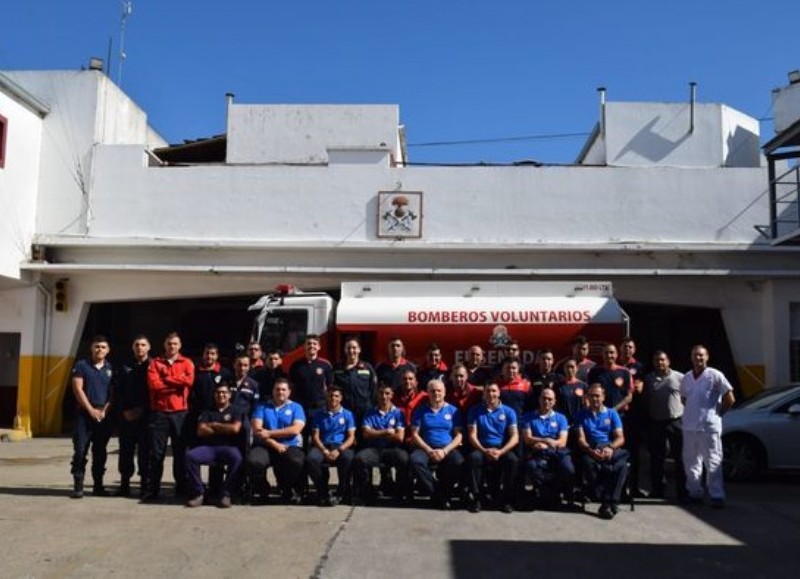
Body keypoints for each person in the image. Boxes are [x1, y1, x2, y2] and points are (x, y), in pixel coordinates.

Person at [680, 345, 735, 508]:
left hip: (709, 427)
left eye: (701, 355)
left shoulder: (715, 375)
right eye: (695, 355)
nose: (698, 358)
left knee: (713, 461)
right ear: (691, 358)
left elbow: (730, 398)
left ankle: (717, 495)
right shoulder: (687, 377)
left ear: (707, 357)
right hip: (689, 426)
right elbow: (684, 399)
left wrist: (718, 414)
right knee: (691, 462)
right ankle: (694, 493)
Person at [144, 332, 195, 502]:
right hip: (159, 414)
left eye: (175, 344)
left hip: (180, 413)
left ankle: (181, 486)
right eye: (169, 343)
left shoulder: (187, 362)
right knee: (156, 454)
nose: (172, 346)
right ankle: (153, 489)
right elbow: (154, 386)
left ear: (179, 346)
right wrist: (176, 382)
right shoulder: (155, 363)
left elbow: (188, 382)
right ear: (164, 345)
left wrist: (166, 378)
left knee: (180, 453)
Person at [185, 381, 244, 508]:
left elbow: (235, 429)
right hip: (209, 447)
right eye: (218, 392)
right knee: (190, 456)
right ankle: (199, 493)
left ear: (229, 395)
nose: (221, 395)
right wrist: (225, 428)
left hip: (228, 447)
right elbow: (201, 431)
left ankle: (226, 494)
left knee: (237, 458)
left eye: (224, 392)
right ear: (214, 395)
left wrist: (214, 425)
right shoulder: (207, 411)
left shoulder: (236, 410)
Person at [247, 378, 306, 504]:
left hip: (289, 445)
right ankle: (263, 489)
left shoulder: (296, 407)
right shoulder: (262, 406)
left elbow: (295, 430)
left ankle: (286, 488)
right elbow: (257, 430)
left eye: (283, 389)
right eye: (277, 389)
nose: (280, 392)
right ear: (273, 391)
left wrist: (268, 433)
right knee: (254, 461)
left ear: (289, 392)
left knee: (295, 461)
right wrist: (274, 443)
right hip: (265, 445)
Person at [575, 384, 629, 520]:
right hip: (591, 448)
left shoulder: (612, 413)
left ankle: (608, 502)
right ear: (587, 397)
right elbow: (581, 439)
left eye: (597, 396)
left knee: (621, 465)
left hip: (609, 446)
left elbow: (620, 437)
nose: (594, 399)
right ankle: (609, 502)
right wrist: (591, 451)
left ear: (603, 397)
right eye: (591, 396)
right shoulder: (581, 414)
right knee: (593, 464)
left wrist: (610, 448)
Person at [70, 335, 114, 499]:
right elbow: (78, 390)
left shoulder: (110, 368)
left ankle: (98, 486)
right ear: (91, 348)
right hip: (84, 415)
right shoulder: (82, 366)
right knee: (80, 450)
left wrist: (104, 411)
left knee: (100, 452)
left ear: (108, 350)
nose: (100, 350)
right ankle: (78, 485)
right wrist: (90, 410)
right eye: (97, 346)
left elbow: (112, 394)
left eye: (103, 347)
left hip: (103, 416)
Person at [409, 379, 464, 509]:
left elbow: (459, 435)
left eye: (439, 390)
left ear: (444, 393)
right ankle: (439, 494)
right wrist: (428, 450)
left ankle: (441, 493)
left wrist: (444, 451)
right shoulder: (421, 410)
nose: (436, 393)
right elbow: (415, 434)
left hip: (447, 448)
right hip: (426, 447)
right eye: (433, 391)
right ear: (428, 393)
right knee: (415, 460)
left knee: (458, 462)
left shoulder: (453, 411)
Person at [465, 382, 519, 513]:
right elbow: (472, 435)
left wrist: (501, 451)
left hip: (501, 448)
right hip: (481, 447)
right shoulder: (474, 410)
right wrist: (484, 451)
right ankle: (476, 499)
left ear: (499, 393)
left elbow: (515, 436)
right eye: (488, 391)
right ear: (483, 393)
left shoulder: (509, 411)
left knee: (512, 460)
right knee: (473, 458)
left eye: (494, 391)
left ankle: (506, 500)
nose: (491, 394)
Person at [352, 383, 410, 504]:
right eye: (381, 393)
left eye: (387, 393)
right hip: (374, 448)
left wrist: (375, 432)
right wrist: (386, 432)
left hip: (392, 449)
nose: (384, 396)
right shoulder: (369, 412)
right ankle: (366, 492)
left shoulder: (398, 413)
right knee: (360, 458)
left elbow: (399, 437)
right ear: (377, 395)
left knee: (404, 459)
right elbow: (366, 434)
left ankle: (399, 493)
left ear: (392, 395)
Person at [521, 387, 575, 509]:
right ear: (539, 399)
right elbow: (527, 438)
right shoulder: (528, 416)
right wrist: (544, 440)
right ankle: (543, 493)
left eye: (550, 399)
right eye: (544, 398)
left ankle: (563, 494)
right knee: (532, 466)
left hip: (556, 451)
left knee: (568, 468)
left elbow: (562, 441)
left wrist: (548, 444)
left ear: (554, 401)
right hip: (536, 450)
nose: (547, 401)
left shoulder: (561, 418)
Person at [644, 351, 686, 500]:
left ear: (668, 361)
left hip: (675, 422)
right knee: (656, 458)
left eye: (662, 360)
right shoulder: (648, 379)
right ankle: (657, 490)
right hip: (656, 422)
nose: (659, 363)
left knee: (680, 457)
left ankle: (682, 491)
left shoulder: (680, 377)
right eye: (656, 360)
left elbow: (687, 398)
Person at [305, 386, 356, 506]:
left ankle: (342, 491)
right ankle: (323, 492)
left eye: (337, 396)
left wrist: (339, 450)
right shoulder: (319, 414)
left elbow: (351, 437)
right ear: (326, 396)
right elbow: (315, 436)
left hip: (341, 446)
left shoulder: (348, 414)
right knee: (311, 459)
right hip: (323, 445)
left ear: (341, 398)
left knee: (348, 458)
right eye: (331, 395)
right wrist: (324, 451)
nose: (333, 398)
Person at [115, 335, 151, 497]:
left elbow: (155, 391)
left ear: (148, 347)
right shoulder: (124, 366)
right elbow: (117, 390)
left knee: (145, 452)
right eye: (137, 345)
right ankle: (124, 485)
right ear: (133, 348)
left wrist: (142, 410)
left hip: (146, 417)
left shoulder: (154, 366)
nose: (140, 348)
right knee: (126, 451)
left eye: (143, 345)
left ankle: (145, 486)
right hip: (126, 417)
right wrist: (124, 411)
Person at [289, 334, 333, 443]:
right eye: (309, 343)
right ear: (304, 346)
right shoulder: (296, 365)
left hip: (319, 408)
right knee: (300, 437)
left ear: (319, 347)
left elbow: (330, 387)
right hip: (300, 408)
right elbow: (291, 387)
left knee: (319, 437)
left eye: (314, 344)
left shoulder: (325, 365)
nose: (311, 346)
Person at [619, 337, 647, 497]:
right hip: (619, 417)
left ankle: (634, 488)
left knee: (634, 455)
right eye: (624, 347)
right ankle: (619, 488)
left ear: (634, 350)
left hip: (634, 417)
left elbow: (640, 388)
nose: (627, 349)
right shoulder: (615, 367)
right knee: (618, 453)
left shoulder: (638, 367)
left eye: (630, 347)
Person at [333, 337, 378, 431]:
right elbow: (333, 390)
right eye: (348, 348)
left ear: (359, 349)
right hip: (344, 411)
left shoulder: (367, 368)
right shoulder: (337, 369)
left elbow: (374, 389)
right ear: (345, 350)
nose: (351, 350)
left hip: (364, 411)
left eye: (354, 347)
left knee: (363, 440)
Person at [586, 344, 633, 413]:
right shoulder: (594, 372)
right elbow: (588, 393)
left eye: (611, 352)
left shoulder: (625, 372)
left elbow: (629, 396)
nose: (609, 355)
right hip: (599, 413)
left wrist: (613, 410)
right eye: (606, 353)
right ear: (602, 355)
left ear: (617, 354)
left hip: (619, 414)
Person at [556, 358, 586, 427]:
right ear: (564, 369)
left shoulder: (584, 386)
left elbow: (587, 406)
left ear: (577, 368)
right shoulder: (558, 386)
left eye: (572, 367)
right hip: (563, 423)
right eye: (567, 367)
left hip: (580, 424)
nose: (570, 370)